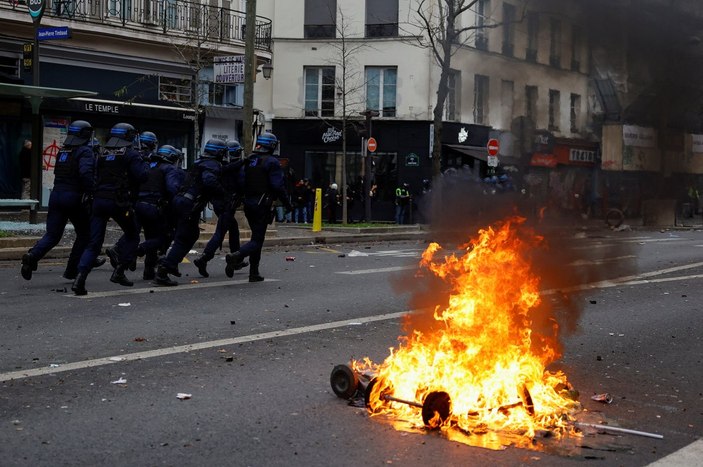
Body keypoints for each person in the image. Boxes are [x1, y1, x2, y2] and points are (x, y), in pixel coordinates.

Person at [71, 123, 148, 295]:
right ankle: (120, 270)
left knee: (93, 243)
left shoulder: (102, 153)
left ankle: (80, 279)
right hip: (118, 202)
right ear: (128, 137)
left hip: (99, 201)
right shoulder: (131, 154)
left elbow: (94, 175)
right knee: (132, 234)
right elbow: (142, 176)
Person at [20, 121, 103, 281]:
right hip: (74, 198)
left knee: (52, 234)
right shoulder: (84, 151)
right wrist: (92, 192)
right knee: (85, 234)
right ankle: (72, 270)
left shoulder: (63, 151)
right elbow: (86, 174)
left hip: (56, 196)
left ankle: (32, 256)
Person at [153, 138, 227, 286]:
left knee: (190, 234)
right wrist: (222, 193)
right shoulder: (212, 165)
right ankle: (165, 267)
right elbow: (209, 181)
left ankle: (171, 262)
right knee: (184, 237)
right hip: (189, 204)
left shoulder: (200, 162)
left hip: (181, 201)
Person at [224, 132, 291, 282]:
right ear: (272, 146)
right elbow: (277, 185)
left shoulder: (251, 159)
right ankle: (236, 256)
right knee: (257, 240)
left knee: (256, 238)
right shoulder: (272, 162)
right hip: (262, 204)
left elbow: (242, 181)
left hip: (249, 203)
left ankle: (254, 272)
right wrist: (287, 204)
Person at [192, 139, 249, 278]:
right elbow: (240, 184)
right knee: (220, 232)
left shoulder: (221, 166)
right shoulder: (229, 169)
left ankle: (237, 259)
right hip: (226, 204)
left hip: (218, 203)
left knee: (233, 229)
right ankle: (204, 258)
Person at [131, 144, 184, 280]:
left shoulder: (149, 166)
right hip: (155, 207)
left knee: (151, 237)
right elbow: (172, 189)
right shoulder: (169, 169)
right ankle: (140, 249)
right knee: (162, 238)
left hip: (139, 205)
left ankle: (148, 271)